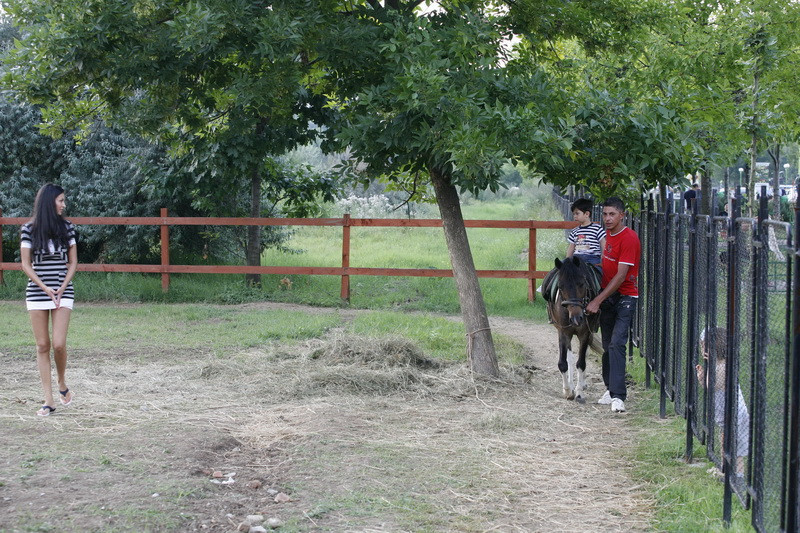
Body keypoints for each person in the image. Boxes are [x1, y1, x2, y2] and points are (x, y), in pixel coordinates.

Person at [20, 183, 78, 417]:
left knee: (58, 344)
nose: (64, 205)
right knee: (42, 345)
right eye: (61, 200)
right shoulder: (28, 229)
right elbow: (25, 264)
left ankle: (62, 383)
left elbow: (73, 262)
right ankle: (49, 400)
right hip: (37, 292)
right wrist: (44, 288)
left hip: (63, 291)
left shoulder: (68, 227)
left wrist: (62, 287)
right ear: (49, 201)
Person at [586, 197, 640, 413]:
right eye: (605, 214)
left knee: (617, 343)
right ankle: (610, 389)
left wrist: (596, 300)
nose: (607, 218)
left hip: (625, 296)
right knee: (608, 344)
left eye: (612, 214)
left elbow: (620, 276)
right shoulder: (605, 234)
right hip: (607, 296)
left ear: (622, 215)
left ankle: (619, 396)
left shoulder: (629, 239)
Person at [695, 327, 749, 476]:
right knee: (726, 443)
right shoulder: (717, 365)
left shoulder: (723, 366)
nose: (701, 349)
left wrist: (702, 376)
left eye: (703, 345)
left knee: (734, 448)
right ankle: (726, 471)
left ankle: (736, 476)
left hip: (735, 415)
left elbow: (712, 385)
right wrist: (703, 376)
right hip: (727, 416)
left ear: (714, 346)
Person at [566, 198, 606, 268]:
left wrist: (603, 260)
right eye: (574, 214)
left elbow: (603, 244)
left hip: (592, 258)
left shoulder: (597, 229)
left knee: (599, 272)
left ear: (587, 214)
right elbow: (571, 248)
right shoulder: (574, 231)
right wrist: (567, 260)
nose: (575, 216)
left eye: (577, 213)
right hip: (577, 258)